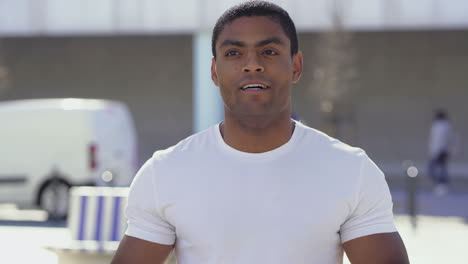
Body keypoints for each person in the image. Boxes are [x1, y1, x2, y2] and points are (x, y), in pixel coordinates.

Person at [112, 1, 409, 263]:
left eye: (268, 51)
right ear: (214, 72)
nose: (252, 65)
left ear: (296, 65)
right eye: (233, 53)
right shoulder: (164, 173)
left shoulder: (352, 171)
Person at [428, 109, 456, 196]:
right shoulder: (439, 126)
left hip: (440, 151)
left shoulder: (443, 126)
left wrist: (437, 152)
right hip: (439, 151)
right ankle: (442, 185)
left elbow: (442, 141)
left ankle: (442, 186)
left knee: (437, 169)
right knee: (440, 169)